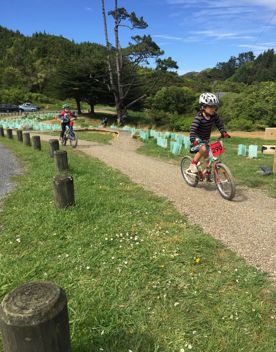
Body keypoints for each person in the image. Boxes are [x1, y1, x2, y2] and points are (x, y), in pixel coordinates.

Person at [187, 92, 230, 175]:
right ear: (203, 107)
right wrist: (193, 139)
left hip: (206, 139)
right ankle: (193, 165)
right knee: (203, 149)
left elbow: (219, 124)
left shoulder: (214, 116)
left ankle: (207, 173)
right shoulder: (198, 118)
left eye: (214, 107)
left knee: (209, 157)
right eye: (210, 107)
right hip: (197, 139)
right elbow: (193, 129)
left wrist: (223, 132)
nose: (213, 109)